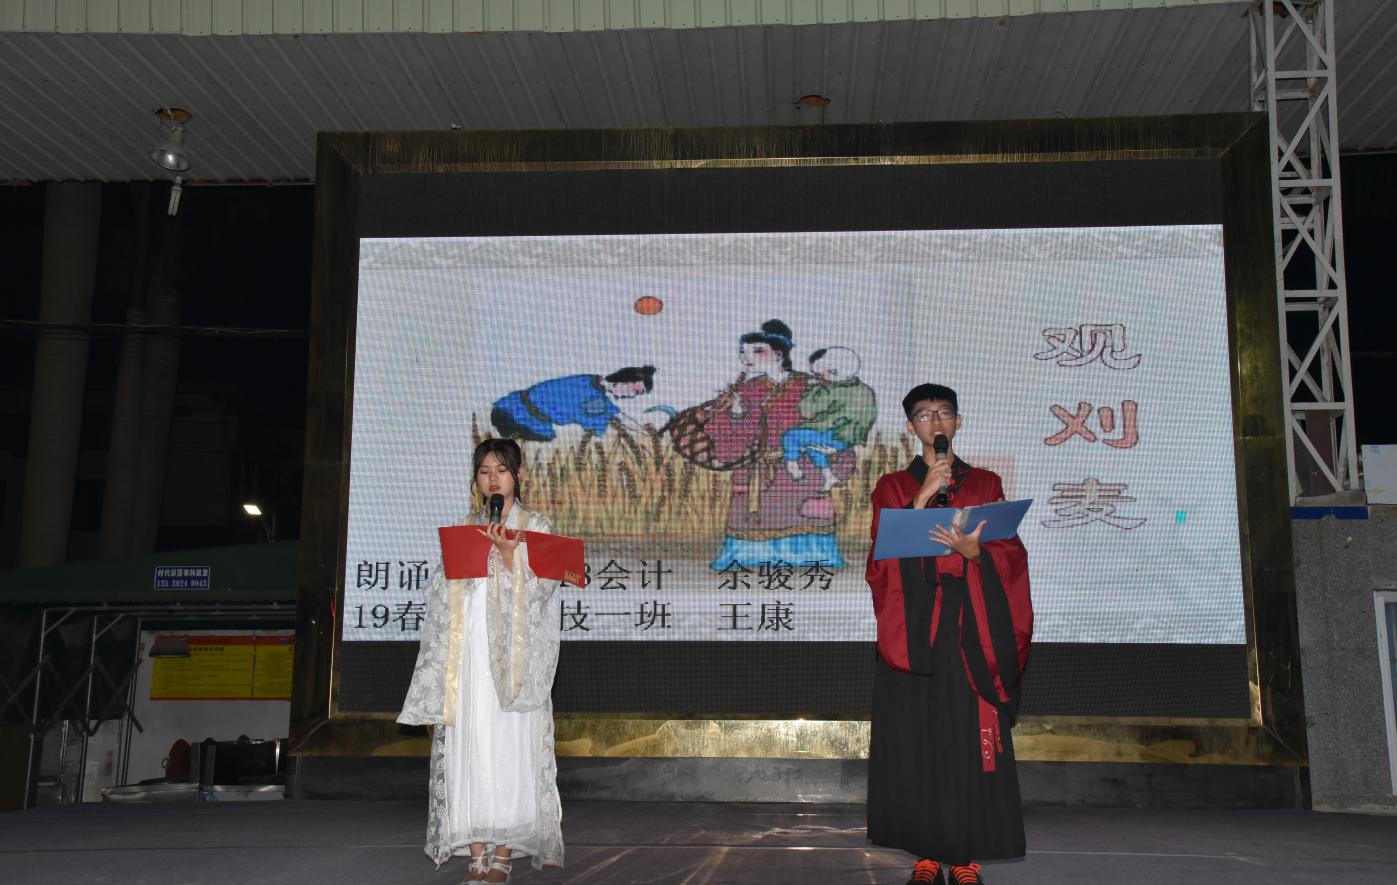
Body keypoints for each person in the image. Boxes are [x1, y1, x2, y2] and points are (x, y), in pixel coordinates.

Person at [865, 384, 1033, 885]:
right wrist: (920, 501)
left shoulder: (985, 482)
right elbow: (880, 563)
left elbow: (1009, 554)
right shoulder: (892, 487)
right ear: (911, 427)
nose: (935, 422)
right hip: (915, 628)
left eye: (943, 413)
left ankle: (964, 857)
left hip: (972, 626)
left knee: (965, 741)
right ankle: (925, 855)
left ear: (958, 422)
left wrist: (978, 554)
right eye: (924, 415)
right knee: (917, 740)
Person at [398, 438, 564, 882]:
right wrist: (460, 573)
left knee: (508, 746)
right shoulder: (465, 526)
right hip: (470, 657)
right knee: (470, 745)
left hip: (512, 662)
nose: (493, 479)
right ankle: (475, 853)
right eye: (485, 471)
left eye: (502, 470)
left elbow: (544, 593)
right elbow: (441, 590)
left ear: (518, 475)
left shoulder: (537, 525)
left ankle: (503, 852)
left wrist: (510, 558)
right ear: (475, 479)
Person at [670, 319, 852, 570]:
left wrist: (838, 459)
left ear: (779, 353)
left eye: (757, 351)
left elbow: (840, 421)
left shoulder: (811, 387)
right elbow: (725, 439)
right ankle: (749, 557)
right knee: (752, 517)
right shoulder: (745, 391)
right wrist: (735, 414)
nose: (747, 358)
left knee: (806, 513)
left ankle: (812, 557)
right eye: (743, 352)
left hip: (802, 468)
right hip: (757, 470)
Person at [781, 346, 877, 491]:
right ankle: (829, 477)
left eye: (820, 374)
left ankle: (792, 465)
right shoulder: (863, 391)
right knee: (814, 448)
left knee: (791, 436)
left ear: (834, 371)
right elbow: (865, 421)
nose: (818, 378)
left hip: (835, 437)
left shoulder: (833, 390)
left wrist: (813, 390)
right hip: (840, 438)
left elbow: (807, 411)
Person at [491, 366, 656, 441]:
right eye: (635, 391)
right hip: (516, 420)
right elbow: (600, 426)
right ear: (624, 381)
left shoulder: (589, 380)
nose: (632, 396)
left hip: (507, 406)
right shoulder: (598, 401)